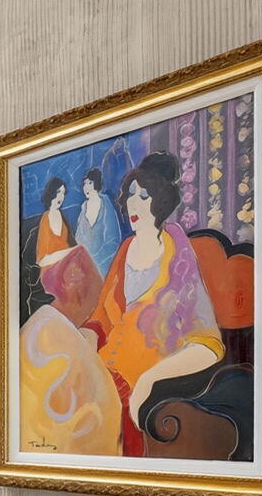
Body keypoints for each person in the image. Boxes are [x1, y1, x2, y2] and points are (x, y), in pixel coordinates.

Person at [86, 151, 222, 453]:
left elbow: (207, 345)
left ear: (160, 200)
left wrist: (149, 380)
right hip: (101, 373)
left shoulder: (178, 258)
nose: (133, 204)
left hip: (135, 385)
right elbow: (100, 320)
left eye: (144, 196)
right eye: (131, 195)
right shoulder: (125, 249)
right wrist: (75, 344)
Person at [77, 167, 123, 274]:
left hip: (104, 266)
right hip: (84, 268)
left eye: (90, 183)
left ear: (96, 184)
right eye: (85, 184)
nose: (86, 187)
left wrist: (95, 262)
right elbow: (78, 239)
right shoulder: (83, 209)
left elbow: (113, 240)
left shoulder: (105, 205)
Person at [32, 177, 75, 267]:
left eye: (63, 193)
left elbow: (71, 243)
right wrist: (68, 252)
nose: (61, 197)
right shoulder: (45, 219)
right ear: (51, 193)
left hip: (67, 264)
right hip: (51, 268)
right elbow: (42, 260)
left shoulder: (63, 217)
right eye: (59, 192)